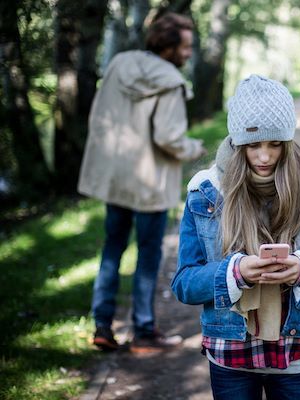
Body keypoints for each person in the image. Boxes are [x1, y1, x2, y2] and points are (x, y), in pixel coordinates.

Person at [172, 75, 300, 399]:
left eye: (275, 144)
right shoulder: (205, 191)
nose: (264, 156)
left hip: (295, 351)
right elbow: (184, 284)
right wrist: (234, 273)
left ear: (288, 141)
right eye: (254, 145)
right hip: (230, 354)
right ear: (238, 143)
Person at [78, 13, 207, 353]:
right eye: (186, 46)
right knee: (148, 255)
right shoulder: (171, 82)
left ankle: (102, 326)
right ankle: (144, 330)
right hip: (150, 183)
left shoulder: (120, 64)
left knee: (112, 247)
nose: (189, 53)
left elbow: (100, 113)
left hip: (117, 178)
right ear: (168, 46)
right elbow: (169, 137)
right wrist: (194, 147)